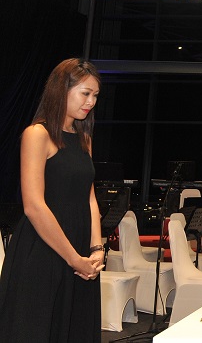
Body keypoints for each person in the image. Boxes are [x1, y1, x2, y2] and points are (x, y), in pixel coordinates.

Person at [0, 58, 103, 342]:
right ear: (61, 90)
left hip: (80, 250)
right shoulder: (37, 134)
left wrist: (96, 249)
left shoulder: (84, 139)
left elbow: (90, 199)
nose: (91, 102)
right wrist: (74, 259)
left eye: (95, 95)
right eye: (85, 93)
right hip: (44, 248)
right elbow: (33, 206)